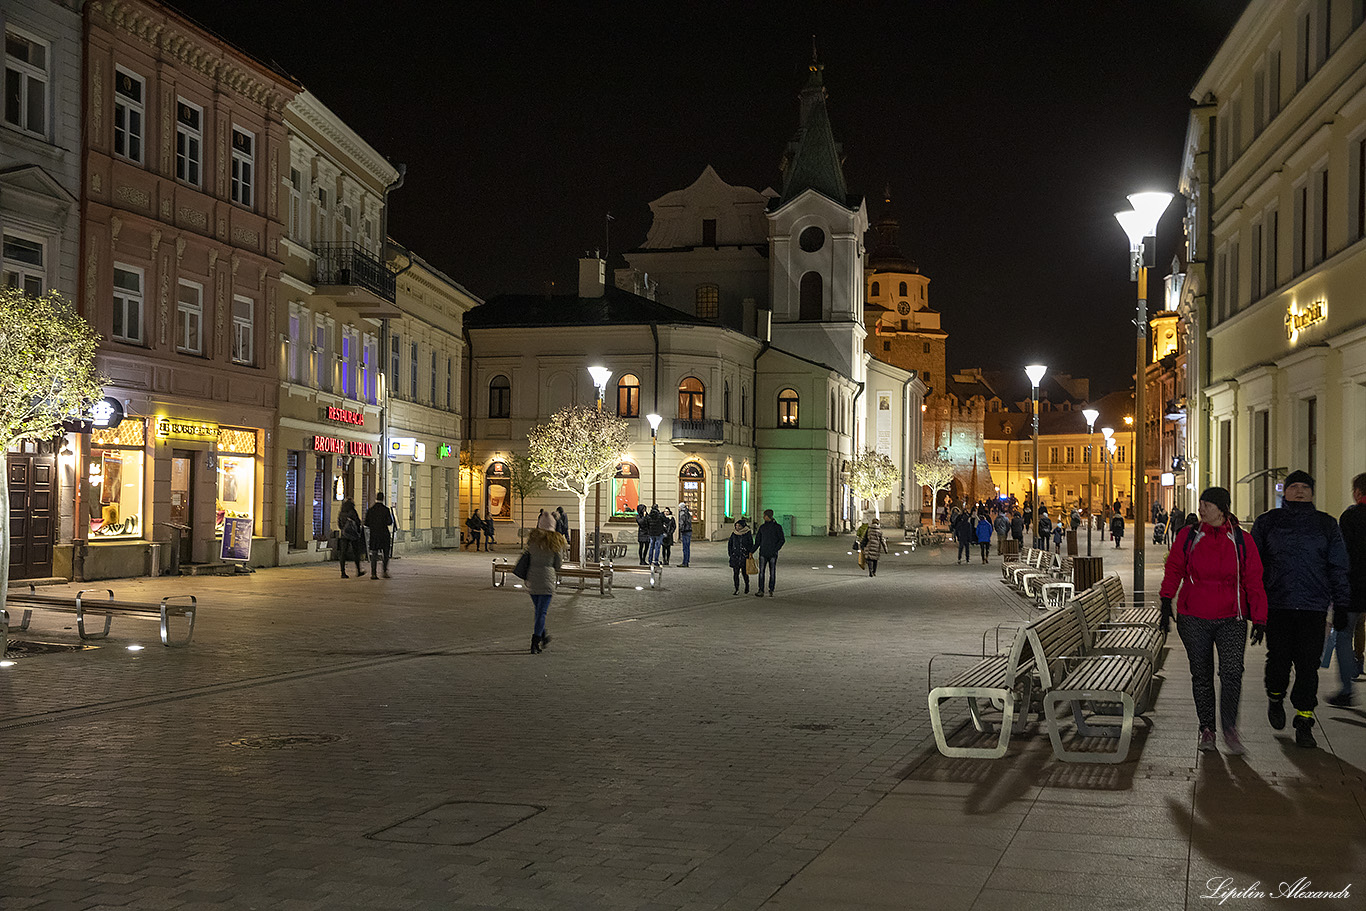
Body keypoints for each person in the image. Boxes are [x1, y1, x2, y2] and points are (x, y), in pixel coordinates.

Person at [1159, 487, 1268, 754]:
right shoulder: (1189, 535)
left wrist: (1261, 617)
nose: (1201, 509)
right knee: (1202, 675)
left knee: (1232, 673)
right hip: (1194, 616)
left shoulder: (1241, 540)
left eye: (1206, 505)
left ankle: (1229, 727)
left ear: (1222, 509)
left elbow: (1254, 579)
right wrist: (1165, 600)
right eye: (1201, 504)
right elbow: (1175, 568)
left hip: (1232, 617)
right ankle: (1207, 728)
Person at [1251, 470, 1352, 748]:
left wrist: (1342, 604)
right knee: (1279, 661)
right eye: (1293, 486)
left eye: (1304, 487)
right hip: (1278, 604)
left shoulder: (1326, 525)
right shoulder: (1268, 522)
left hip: (1313, 607)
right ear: (1285, 491)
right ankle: (1275, 696)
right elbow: (1254, 567)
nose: (1298, 491)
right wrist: (1254, 606)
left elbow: (1338, 566)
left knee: (1308, 666)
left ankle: (1305, 720)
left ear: (1311, 492)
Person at [1339, 473, 1366, 703]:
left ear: (1358, 493)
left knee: (1344, 635)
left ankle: (1347, 690)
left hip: (1355, 587)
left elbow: (1342, 554)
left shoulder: (1350, 517)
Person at [523, 512, 565, 654]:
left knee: (538, 611)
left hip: (533, 580)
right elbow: (558, 565)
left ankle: (543, 635)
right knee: (542, 613)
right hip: (547, 580)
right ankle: (535, 642)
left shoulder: (532, 542)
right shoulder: (555, 544)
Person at [754, 508, 786, 596]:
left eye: (764, 515)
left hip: (767, 553)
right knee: (769, 572)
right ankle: (768, 590)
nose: (763, 517)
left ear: (767, 516)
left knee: (765, 572)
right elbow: (758, 541)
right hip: (768, 553)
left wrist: (775, 549)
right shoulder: (767, 527)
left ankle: (764, 590)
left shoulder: (768, 527)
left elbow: (781, 540)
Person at [364, 494, 396, 578]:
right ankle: (384, 571)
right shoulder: (385, 510)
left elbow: (366, 523)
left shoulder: (371, 510)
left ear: (376, 498)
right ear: (383, 498)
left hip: (374, 534)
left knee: (374, 553)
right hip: (384, 534)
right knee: (385, 553)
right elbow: (389, 522)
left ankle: (373, 573)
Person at [337, 498, 366, 578]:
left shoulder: (341, 512)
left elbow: (339, 523)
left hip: (344, 535)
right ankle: (358, 570)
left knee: (343, 553)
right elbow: (358, 522)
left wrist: (343, 529)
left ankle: (343, 572)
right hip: (353, 535)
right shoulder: (352, 512)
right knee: (356, 552)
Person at [727, 518, 754, 595]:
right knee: (735, 573)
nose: (737, 527)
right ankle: (736, 588)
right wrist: (731, 554)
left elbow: (751, 544)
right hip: (735, 556)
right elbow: (730, 544)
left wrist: (749, 553)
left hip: (744, 556)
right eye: (736, 526)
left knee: (745, 573)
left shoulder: (747, 533)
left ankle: (747, 586)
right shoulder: (734, 533)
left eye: (739, 526)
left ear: (743, 526)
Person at [677, 502, 693, 567]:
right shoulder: (687, 512)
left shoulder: (682, 513)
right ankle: (687, 561)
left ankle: (684, 562)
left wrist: (680, 530)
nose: (678, 508)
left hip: (685, 531)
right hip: (689, 531)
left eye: (679, 507)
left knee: (684, 548)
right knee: (687, 547)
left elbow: (681, 523)